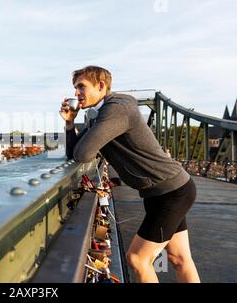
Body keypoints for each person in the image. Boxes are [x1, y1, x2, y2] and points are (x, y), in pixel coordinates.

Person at [60, 65, 200, 283]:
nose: (76, 93)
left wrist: (84, 136)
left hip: (171, 192)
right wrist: (70, 122)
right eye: (75, 88)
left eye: (81, 86)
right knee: (179, 258)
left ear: (100, 85)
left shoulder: (116, 109)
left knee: (137, 259)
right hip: (162, 192)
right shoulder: (100, 115)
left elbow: (84, 153)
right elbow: (74, 153)